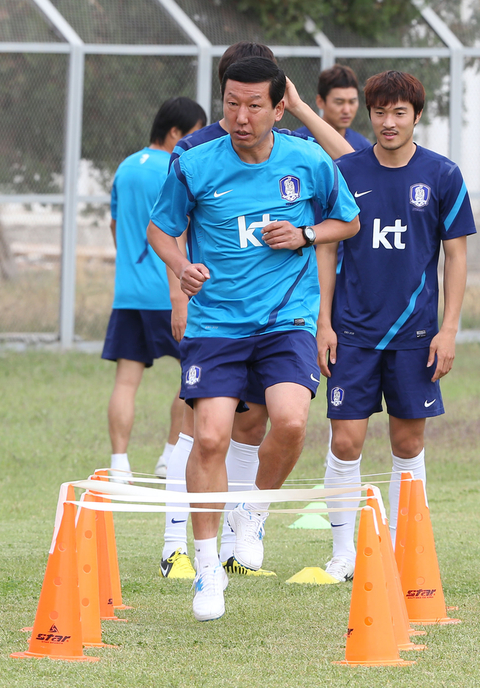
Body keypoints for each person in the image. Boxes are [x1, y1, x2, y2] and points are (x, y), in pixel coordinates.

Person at [147, 56, 360, 621]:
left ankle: (252, 510)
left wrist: (306, 233)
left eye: (253, 105)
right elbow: (160, 229)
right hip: (217, 322)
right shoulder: (195, 163)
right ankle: (207, 565)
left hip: (287, 317)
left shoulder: (307, 159)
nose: (240, 117)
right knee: (211, 437)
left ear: (278, 106)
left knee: (290, 421)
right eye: (231, 104)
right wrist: (181, 267)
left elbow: (349, 220)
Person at [315, 70, 476, 583]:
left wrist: (448, 328)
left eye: (398, 113)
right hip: (353, 332)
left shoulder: (444, 175)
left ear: (416, 116)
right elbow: (326, 247)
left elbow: (456, 257)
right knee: (346, 443)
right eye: (379, 112)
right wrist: (323, 321)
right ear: (370, 114)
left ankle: (405, 552)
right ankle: (345, 555)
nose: (387, 122)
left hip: (415, 337)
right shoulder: (345, 171)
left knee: (407, 445)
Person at [102, 97, 206, 481]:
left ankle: (119, 465)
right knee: (193, 374)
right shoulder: (178, 167)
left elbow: (115, 227)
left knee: (126, 381)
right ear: (176, 133)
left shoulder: (126, 167)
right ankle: (168, 456)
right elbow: (177, 229)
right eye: (196, 133)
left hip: (128, 293)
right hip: (169, 292)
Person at [296, 64, 371, 150]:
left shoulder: (363, 146)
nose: (346, 110)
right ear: (320, 101)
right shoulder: (300, 142)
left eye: (352, 102)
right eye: (339, 102)